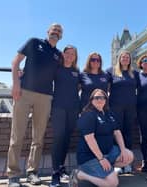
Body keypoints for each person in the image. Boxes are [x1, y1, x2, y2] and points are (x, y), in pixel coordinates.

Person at [7, 23, 63, 187]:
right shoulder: (34, 42)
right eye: (53, 30)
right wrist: (16, 84)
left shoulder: (58, 55)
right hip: (24, 92)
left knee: (38, 138)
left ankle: (32, 172)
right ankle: (13, 175)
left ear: (61, 36)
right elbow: (15, 62)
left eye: (59, 31)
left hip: (45, 97)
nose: (56, 32)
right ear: (48, 31)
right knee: (17, 135)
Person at [69, 89, 134, 187]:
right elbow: (90, 139)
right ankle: (79, 175)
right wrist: (101, 159)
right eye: (97, 98)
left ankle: (107, 171)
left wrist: (123, 149)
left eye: (103, 97)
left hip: (108, 153)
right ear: (91, 100)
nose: (100, 100)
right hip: (90, 156)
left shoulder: (108, 113)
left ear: (106, 100)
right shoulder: (88, 115)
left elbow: (117, 132)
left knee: (129, 155)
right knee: (112, 183)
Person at [49, 45, 80, 187]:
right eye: (67, 53)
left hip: (73, 109)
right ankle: (55, 173)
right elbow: (42, 77)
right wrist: (21, 75)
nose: (69, 56)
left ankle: (61, 167)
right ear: (63, 54)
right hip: (58, 107)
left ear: (75, 57)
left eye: (72, 54)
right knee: (58, 137)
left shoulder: (76, 71)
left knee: (67, 137)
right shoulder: (56, 68)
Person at [106, 50, 137, 173]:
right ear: (119, 59)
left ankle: (127, 162)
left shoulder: (134, 73)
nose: (125, 59)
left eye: (127, 57)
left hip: (130, 108)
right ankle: (117, 162)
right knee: (115, 134)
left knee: (128, 134)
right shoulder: (111, 71)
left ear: (130, 60)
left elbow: (146, 78)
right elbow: (101, 81)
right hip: (115, 107)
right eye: (123, 57)